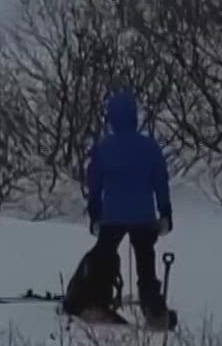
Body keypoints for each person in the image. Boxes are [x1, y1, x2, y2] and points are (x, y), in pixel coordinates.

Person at [65, 89, 172, 324]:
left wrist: (95, 215)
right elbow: (160, 182)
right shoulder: (149, 147)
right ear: (134, 116)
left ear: (111, 118)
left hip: (112, 216)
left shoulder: (104, 148)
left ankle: (97, 302)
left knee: (104, 257)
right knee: (146, 263)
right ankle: (154, 311)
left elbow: (95, 185)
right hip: (144, 217)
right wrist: (165, 213)